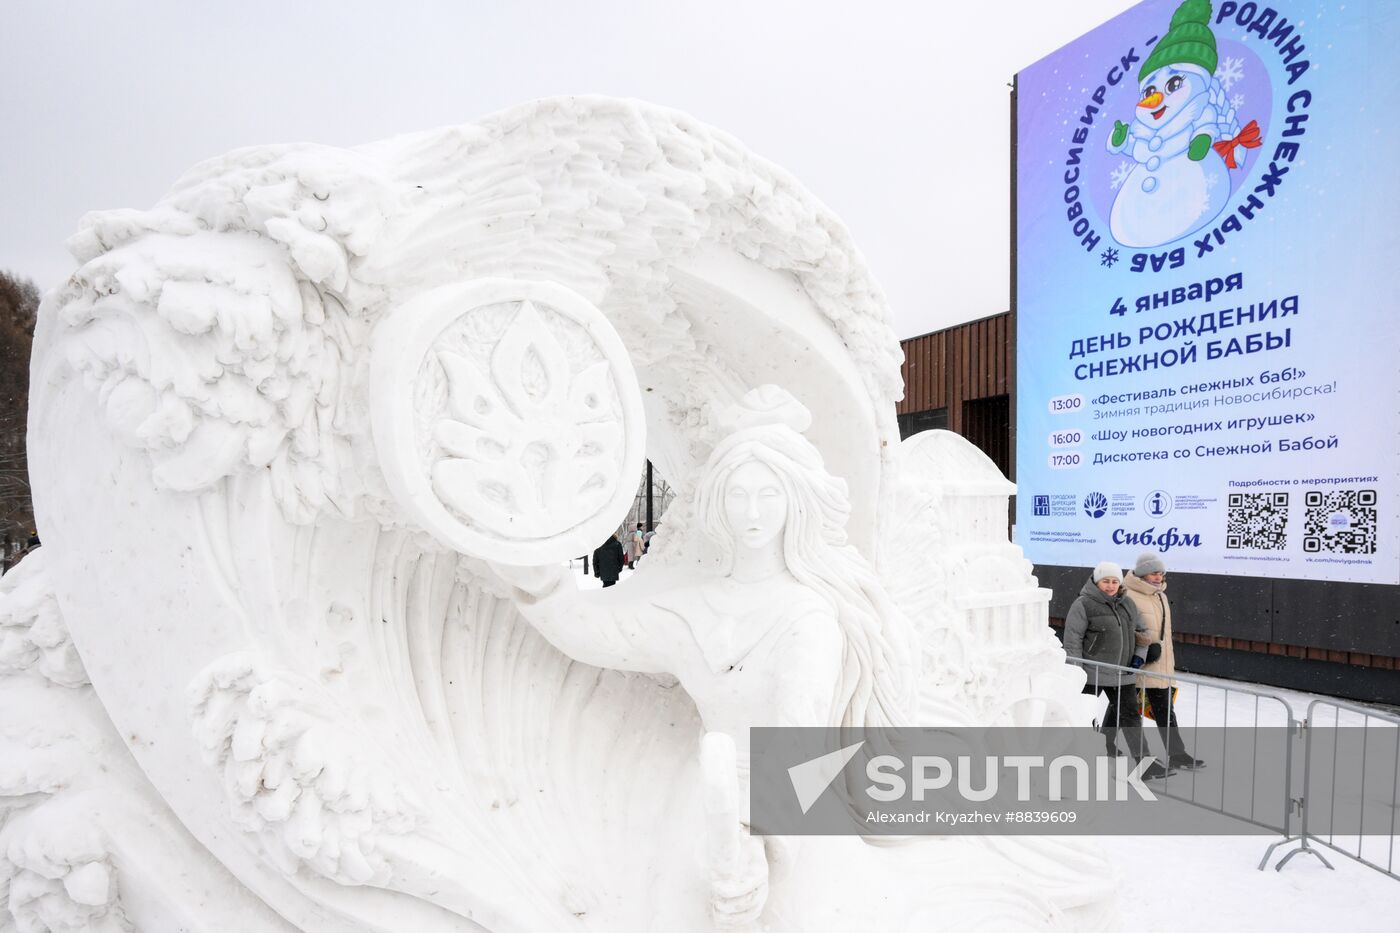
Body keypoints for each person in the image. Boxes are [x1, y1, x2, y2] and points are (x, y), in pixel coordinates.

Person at [490, 387, 914, 923]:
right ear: (718, 500)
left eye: (769, 495)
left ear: (796, 501)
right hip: (698, 806)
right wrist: (540, 583)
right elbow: (597, 632)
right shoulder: (695, 607)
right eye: (738, 494)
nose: (753, 512)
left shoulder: (810, 618)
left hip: (783, 829)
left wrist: (760, 842)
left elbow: (800, 746)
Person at [1062, 561, 1168, 779]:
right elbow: (1073, 640)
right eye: (1105, 581)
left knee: (1131, 718)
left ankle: (1144, 763)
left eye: (1114, 582)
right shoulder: (1083, 604)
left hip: (1123, 672)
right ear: (1096, 581)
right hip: (1092, 672)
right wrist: (1076, 672)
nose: (1110, 586)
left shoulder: (1127, 604)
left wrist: (1138, 658)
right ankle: (1082, 759)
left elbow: (1143, 633)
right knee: (1084, 716)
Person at [1123, 552, 1205, 771]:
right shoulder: (1128, 595)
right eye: (1154, 573)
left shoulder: (1160, 595)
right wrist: (1142, 650)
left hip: (1161, 664)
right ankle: (1105, 746)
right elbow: (1126, 630)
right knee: (1122, 709)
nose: (1159, 577)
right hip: (1138, 663)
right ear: (1142, 574)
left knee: (1165, 710)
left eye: (1161, 573)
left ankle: (1177, 754)